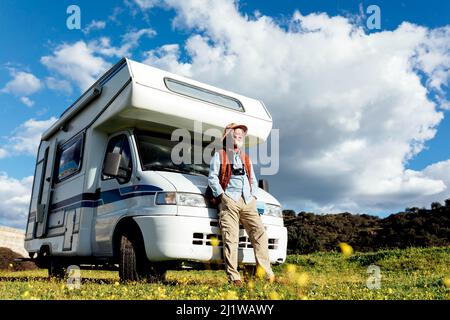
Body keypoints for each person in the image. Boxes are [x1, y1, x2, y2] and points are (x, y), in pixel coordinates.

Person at [208, 123, 275, 286]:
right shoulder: (220, 155)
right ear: (228, 137)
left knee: (260, 233)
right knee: (231, 238)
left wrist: (252, 196)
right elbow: (212, 178)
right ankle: (234, 277)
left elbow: (252, 179)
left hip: (248, 201)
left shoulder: (246, 158)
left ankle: (266, 274)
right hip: (229, 200)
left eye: (241, 135)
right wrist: (223, 197)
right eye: (235, 134)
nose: (239, 136)